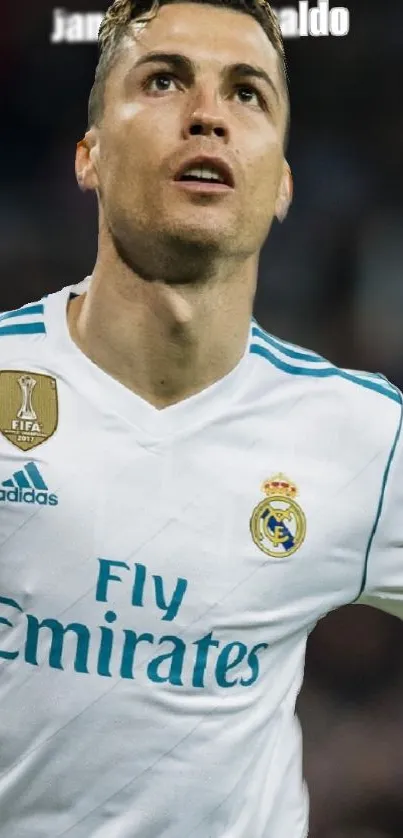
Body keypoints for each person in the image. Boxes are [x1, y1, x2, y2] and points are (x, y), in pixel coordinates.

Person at [0, 0, 402, 835]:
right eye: (163, 80)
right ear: (90, 155)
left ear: (282, 181)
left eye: (247, 93)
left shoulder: (365, 438)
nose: (208, 116)